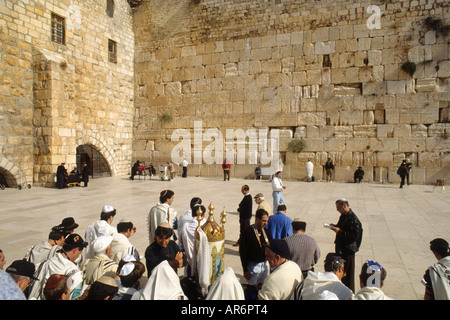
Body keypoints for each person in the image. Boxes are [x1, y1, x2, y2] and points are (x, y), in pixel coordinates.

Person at [28, 233, 88, 300]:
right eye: (80, 253)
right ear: (75, 251)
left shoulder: (48, 262)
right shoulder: (74, 272)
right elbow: (75, 297)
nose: (78, 255)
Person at [329, 198, 363, 292]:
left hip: (348, 251)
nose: (337, 210)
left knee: (347, 275)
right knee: (340, 273)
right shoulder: (344, 216)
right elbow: (341, 226)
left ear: (344, 206)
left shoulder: (354, 220)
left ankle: (348, 293)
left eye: (338, 208)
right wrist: (334, 227)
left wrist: (339, 232)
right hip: (342, 249)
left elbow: (354, 237)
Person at [239, 209, 272, 286]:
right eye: (263, 221)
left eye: (267, 221)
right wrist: (245, 269)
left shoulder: (266, 232)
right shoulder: (247, 232)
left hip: (264, 265)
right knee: (252, 289)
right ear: (257, 219)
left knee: (262, 287)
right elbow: (242, 252)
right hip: (253, 266)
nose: (266, 223)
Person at [179, 204, 207, 278]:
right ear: (204, 215)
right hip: (205, 265)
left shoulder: (185, 227)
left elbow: (181, 246)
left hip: (190, 263)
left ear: (192, 214)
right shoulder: (207, 227)